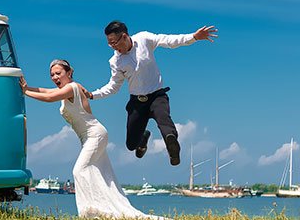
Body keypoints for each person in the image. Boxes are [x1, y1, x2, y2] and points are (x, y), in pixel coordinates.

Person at [20, 60, 164, 220]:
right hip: (90, 137)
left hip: (95, 135)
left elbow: (49, 98)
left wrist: (26, 92)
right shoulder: (68, 88)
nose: (54, 77)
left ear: (69, 73)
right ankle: (100, 210)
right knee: (100, 174)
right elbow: (47, 91)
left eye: (58, 73)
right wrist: (26, 88)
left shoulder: (72, 88)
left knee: (79, 170)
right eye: (52, 75)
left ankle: (90, 211)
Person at [88, 21, 218, 166]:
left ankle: (172, 147)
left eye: (114, 42)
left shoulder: (144, 39)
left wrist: (193, 37)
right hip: (137, 102)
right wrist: (92, 95)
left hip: (157, 96)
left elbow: (169, 41)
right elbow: (113, 86)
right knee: (131, 144)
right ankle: (143, 137)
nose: (113, 47)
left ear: (124, 36)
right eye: (109, 44)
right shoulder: (115, 61)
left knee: (165, 122)